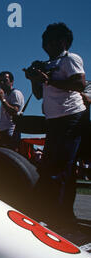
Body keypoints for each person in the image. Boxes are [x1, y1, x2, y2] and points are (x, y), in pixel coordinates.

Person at [24, 22, 87, 228]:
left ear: (62, 41)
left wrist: (48, 79)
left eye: (50, 40)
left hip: (71, 116)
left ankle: (55, 218)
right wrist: (35, 79)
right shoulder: (47, 63)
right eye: (44, 41)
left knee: (60, 167)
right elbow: (40, 93)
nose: (46, 44)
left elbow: (79, 84)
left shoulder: (71, 58)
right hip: (54, 119)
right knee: (54, 167)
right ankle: (64, 216)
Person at [0, 71, 25, 150]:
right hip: (3, 130)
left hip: (11, 131)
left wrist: (2, 100)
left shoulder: (16, 93)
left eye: (5, 81)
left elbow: (14, 111)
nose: (2, 83)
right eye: (0, 81)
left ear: (11, 82)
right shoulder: (5, 95)